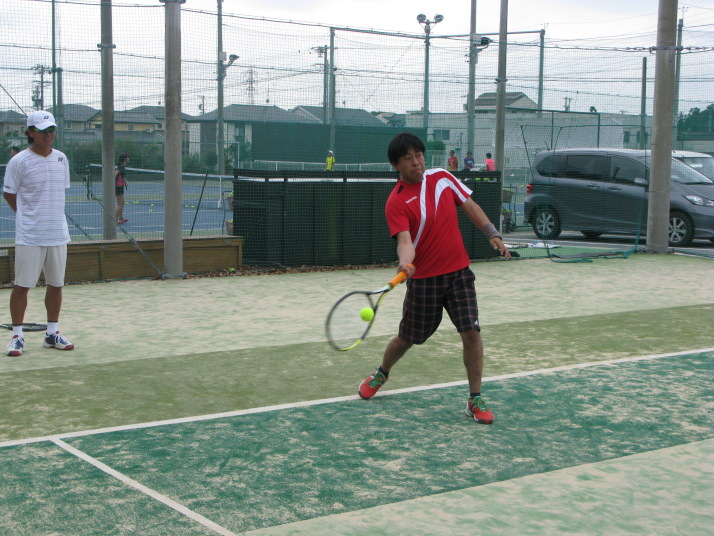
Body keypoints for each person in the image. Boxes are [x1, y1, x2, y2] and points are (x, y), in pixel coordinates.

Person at [357, 132, 510, 424]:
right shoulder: (396, 201)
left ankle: (475, 399)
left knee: (471, 332)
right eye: (408, 159)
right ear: (396, 165)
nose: (416, 162)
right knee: (407, 338)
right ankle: (381, 373)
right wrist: (406, 263)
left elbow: (470, 206)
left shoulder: (442, 178)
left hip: (459, 274)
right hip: (425, 281)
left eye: (419, 155)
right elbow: (404, 240)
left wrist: (492, 232)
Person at [3, 110, 74, 357]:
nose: (48, 135)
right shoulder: (19, 161)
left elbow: (59, 190)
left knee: (56, 285)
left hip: (58, 234)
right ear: (31, 132)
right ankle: (17, 336)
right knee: (22, 285)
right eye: (43, 131)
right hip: (30, 236)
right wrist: (26, 216)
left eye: (52, 130)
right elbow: (9, 193)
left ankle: (52, 334)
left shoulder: (61, 159)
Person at [115, 153, 129, 224]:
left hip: (120, 186)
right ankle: (115, 219)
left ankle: (121, 218)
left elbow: (122, 176)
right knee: (120, 203)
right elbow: (115, 173)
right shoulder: (121, 167)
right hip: (118, 187)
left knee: (122, 202)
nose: (128, 158)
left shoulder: (122, 166)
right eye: (127, 157)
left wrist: (125, 181)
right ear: (125, 159)